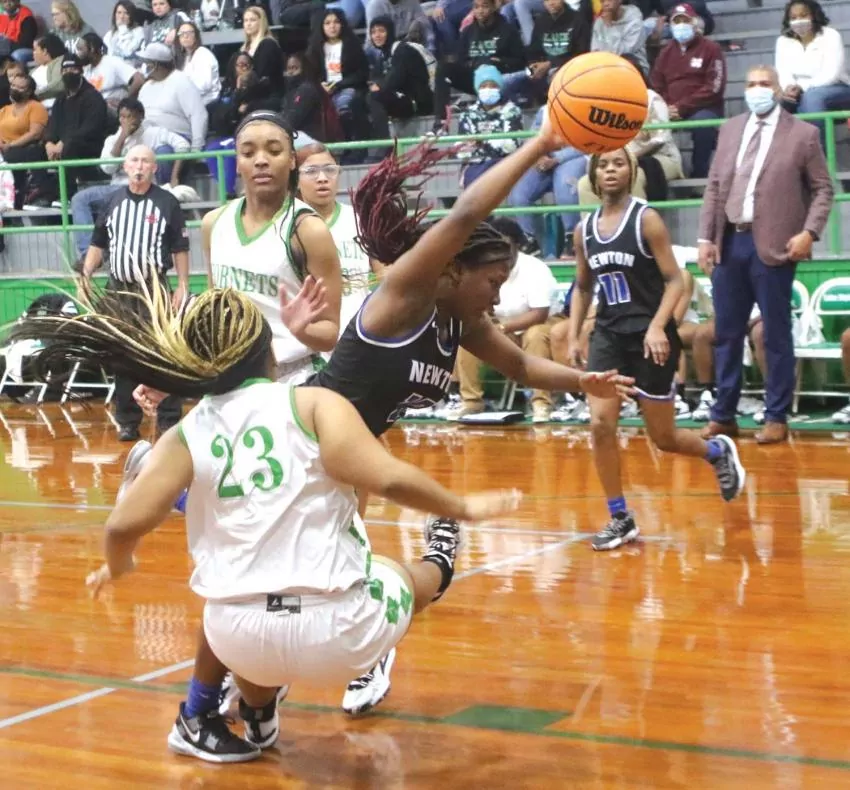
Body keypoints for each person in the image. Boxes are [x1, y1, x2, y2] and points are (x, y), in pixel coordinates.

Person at [124, 114, 636, 755]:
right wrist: (540, 145)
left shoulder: (464, 322)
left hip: (343, 455)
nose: (498, 297)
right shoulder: (408, 294)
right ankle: (268, 665)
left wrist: (584, 381)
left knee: (271, 573)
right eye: (492, 282)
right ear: (452, 269)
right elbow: (467, 211)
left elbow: (525, 367)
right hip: (307, 441)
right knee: (252, 570)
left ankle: (252, 683)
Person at [10, 285, 523, 763]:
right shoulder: (315, 403)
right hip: (342, 634)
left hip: (238, 639)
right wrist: (464, 506)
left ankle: (257, 713)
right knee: (400, 572)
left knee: (239, 610)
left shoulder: (186, 432)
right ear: (270, 354)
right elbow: (387, 478)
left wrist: (117, 566)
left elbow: (121, 526)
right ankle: (441, 558)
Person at [568, 147, 746, 551]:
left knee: (663, 437)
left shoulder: (646, 219)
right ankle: (619, 517)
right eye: (602, 164)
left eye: (618, 163)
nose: (610, 170)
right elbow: (582, 287)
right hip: (609, 336)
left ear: (631, 172)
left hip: (650, 337)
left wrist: (657, 326)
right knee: (600, 425)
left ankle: (716, 451)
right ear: (593, 176)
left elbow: (676, 280)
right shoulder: (584, 231)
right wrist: (577, 335)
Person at [697, 64, 833, 445]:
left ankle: (776, 416)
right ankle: (723, 414)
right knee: (726, 332)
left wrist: (809, 232)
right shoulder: (730, 129)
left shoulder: (803, 134)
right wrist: (705, 238)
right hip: (730, 241)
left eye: (764, 83)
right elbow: (714, 187)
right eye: (751, 83)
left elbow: (824, 189)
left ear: (777, 89)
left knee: (775, 334)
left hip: (775, 245)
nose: (757, 89)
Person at [203, 110, 342, 385]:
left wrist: (301, 330)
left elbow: (329, 334)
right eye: (248, 153)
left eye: (274, 151)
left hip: (293, 378)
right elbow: (213, 313)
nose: (261, 160)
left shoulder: (308, 230)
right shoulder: (213, 223)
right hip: (230, 379)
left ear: (292, 160)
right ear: (238, 162)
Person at [79, 144, 190, 441]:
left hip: (154, 290)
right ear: (125, 167)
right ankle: (128, 421)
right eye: (134, 161)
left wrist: (182, 285)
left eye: (145, 161)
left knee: (164, 352)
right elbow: (98, 242)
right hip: (119, 291)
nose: (139, 166)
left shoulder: (167, 202)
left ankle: (168, 418)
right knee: (122, 355)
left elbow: (180, 247)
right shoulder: (112, 201)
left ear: (154, 168)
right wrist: (86, 274)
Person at [296, 142, 377, 333]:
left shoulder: (361, 220)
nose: (322, 178)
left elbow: (386, 274)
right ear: (295, 180)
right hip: (310, 335)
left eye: (330, 170)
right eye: (311, 171)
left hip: (356, 335)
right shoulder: (287, 225)